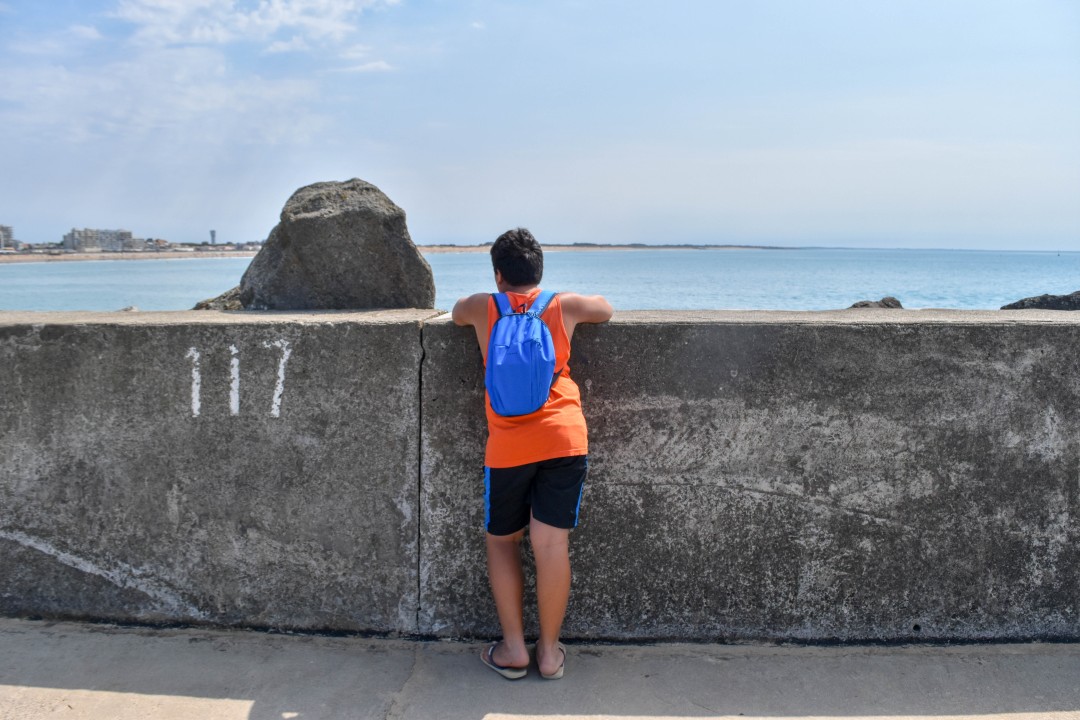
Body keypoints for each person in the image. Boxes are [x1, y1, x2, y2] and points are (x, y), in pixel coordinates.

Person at [452, 228, 613, 680]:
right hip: (564, 438)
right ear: (540, 271)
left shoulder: (484, 307)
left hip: (509, 447)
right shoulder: (564, 306)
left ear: (498, 274)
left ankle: (513, 650)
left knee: (503, 541)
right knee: (551, 544)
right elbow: (606, 307)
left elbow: (454, 315)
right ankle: (548, 653)